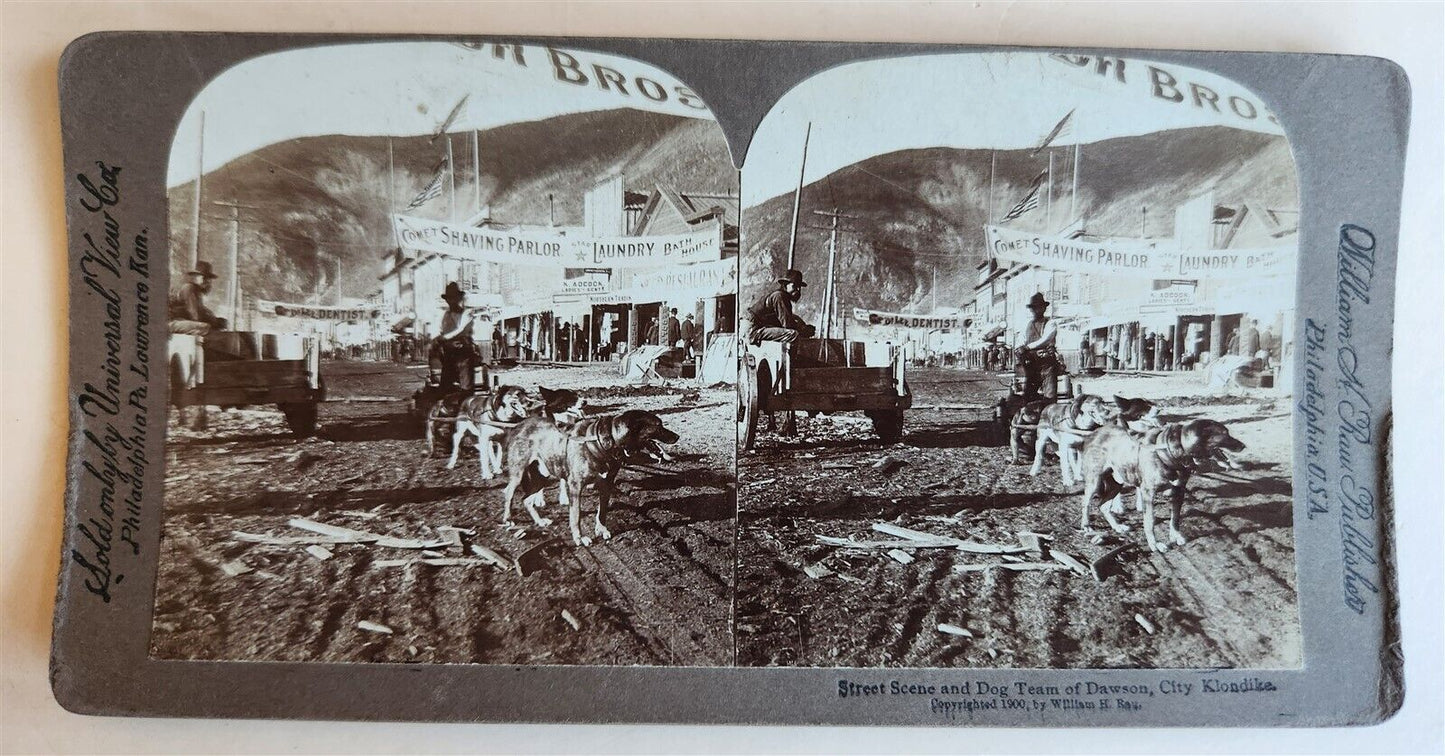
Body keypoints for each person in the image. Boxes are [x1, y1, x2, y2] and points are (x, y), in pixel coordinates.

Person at [744, 268, 815, 344]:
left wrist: (801, 324)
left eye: (799, 287)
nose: (798, 289)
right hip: (752, 330)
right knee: (792, 334)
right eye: (795, 285)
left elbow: (787, 318)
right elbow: (787, 324)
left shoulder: (782, 296)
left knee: (793, 326)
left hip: (756, 327)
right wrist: (803, 330)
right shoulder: (779, 296)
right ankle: (793, 356)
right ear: (785, 285)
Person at [1014, 291, 1061, 401]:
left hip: (1047, 364)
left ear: (1044, 308)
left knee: (1049, 397)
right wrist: (1020, 347)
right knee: (1029, 397)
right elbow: (1021, 339)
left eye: (1039, 307)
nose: (1036, 310)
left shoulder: (1050, 323)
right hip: (1032, 364)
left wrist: (1027, 347)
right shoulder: (1027, 324)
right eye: (1034, 308)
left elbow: (1045, 339)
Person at [435, 282, 478, 390]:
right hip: (449, 356)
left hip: (463, 355)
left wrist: (445, 337)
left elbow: (462, 331)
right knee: (445, 390)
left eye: (453, 298)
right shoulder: (446, 315)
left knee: (465, 389)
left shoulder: (467, 313)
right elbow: (442, 333)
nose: (450, 301)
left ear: (458, 298)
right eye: (448, 299)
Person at [167, 261, 227, 335]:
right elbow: (195, 317)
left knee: (207, 326)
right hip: (171, 322)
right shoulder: (189, 288)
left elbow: (203, 311)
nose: (206, 281)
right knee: (204, 327)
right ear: (195, 276)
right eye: (203, 277)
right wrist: (214, 323)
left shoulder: (196, 291)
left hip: (178, 322)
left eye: (208, 278)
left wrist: (215, 320)